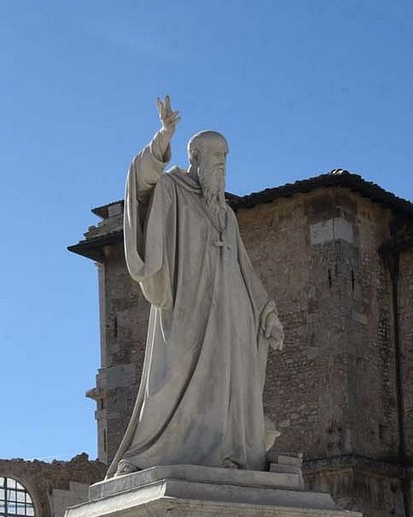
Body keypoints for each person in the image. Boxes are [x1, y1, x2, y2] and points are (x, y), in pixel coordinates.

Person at [108, 95, 285, 477]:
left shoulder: (227, 214)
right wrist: (162, 140)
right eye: (215, 158)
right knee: (174, 376)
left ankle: (222, 450)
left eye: (225, 160)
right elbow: (140, 184)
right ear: (195, 160)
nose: (221, 167)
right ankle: (151, 452)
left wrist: (266, 311)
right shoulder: (173, 190)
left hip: (230, 312)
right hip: (186, 305)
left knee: (226, 382)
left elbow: (244, 266)